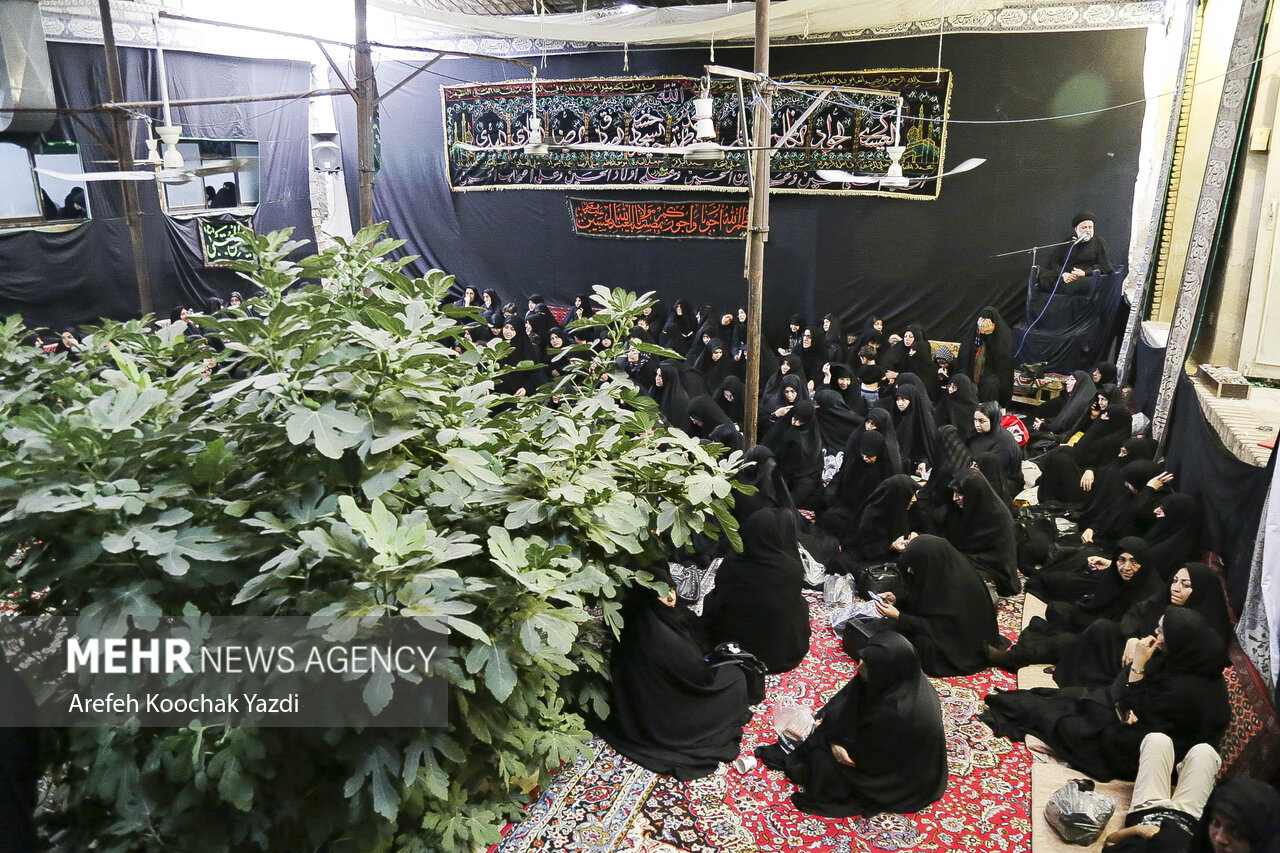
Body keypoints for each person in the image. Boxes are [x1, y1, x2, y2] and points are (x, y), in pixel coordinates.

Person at [982, 607, 1231, 782]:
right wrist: (1125, 696)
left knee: (1070, 725)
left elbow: (1144, 714)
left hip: (1151, 749)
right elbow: (1124, 687)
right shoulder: (1181, 658)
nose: (1155, 636)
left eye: (1162, 632)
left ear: (1179, 640)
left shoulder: (1191, 689)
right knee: (1069, 698)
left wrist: (1138, 666)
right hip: (1137, 719)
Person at [754, 632, 947, 818]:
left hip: (895, 777)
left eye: (868, 664)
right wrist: (831, 728)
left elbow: (864, 760)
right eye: (864, 658)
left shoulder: (898, 711)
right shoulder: (897, 681)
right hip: (880, 746)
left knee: (815, 764)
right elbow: (849, 701)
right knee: (814, 742)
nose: (859, 665)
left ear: (885, 670)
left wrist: (833, 742)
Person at [595, 572, 753, 780]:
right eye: (663, 593)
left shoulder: (630, 621)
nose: (671, 597)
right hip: (670, 722)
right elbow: (700, 680)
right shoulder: (666, 637)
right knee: (736, 677)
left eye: (671, 589)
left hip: (636, 714)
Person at [869, 534, 1003, 676]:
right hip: (945, 629)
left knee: (922, 645)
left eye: (914, 565)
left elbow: (940, 628)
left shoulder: (956, 587)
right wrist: (897, 600)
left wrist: (899, 616)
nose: (909, 570)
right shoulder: (940, 570)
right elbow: (925, 598)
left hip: (962, 643)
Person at [702, 508, 810, 674]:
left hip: (735, 649)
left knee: (712, 600)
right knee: (800, 605)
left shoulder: (731, 563)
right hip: (780, 655)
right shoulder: (791, 568)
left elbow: (720, 599)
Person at [1101, 733, 1221, 853]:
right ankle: (1184, 775)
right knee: (1205, 752)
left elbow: (1111, 841)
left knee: (1157, 740)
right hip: (1190, 815)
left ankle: (1181, 775)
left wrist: (1139, 829)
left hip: (1147, 810)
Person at [939, 468, 1021, 596]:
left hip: (992, 568)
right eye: (954, 493)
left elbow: (999, 558)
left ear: (973, 493)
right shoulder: (963, 510)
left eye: (960, 494)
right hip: (968, 558)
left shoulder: (997, 517)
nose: (955, 498)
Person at [1038, 212, 1112, 296]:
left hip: (1086, 277)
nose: (1088, 230)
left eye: (1090, 227)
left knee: (1089, 283)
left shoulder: (1099, 242)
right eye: (1084, 227)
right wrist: (1064, 274)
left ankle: (1063, 288)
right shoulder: (1070, 242)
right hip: (1067, 276)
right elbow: (1054, 262)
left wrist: (1084, 273)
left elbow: (1106, 267)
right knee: (1044, 276)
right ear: (1076, 229)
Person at [956, 305, 1014, 407]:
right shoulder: (973, 335)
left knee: (991, 386)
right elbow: (964, 357)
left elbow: (1002, 361)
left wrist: (989, 336)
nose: (984, 325)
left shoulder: (1003, 336)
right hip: (972, 372)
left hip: (991, 374)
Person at [967, 401, 1023, 484]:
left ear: (993, 420)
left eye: (982, 421)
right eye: (975, 420)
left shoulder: (1004, 442)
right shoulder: (977, 434)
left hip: (1003, 482)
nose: (977, 424)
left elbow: (995, 471)